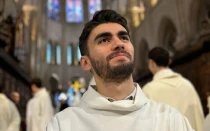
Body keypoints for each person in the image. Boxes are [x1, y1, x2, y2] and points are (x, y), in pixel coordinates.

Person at [46, 10, 194, 131]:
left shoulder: (171, 120)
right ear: (86, 62)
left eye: (124, 38)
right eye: (104, 40)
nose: (119, 44)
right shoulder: (62, 125)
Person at [142, 47, 204, 131]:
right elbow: (198, 119)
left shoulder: (148, 90)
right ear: (169, 61)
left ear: (151, 63)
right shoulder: (187, 85)